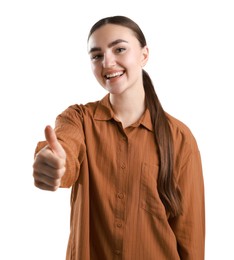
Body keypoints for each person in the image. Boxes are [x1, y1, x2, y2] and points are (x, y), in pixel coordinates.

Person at [33, 15, 205, 260]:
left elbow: (190, 235)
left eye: (119, 49)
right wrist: (54, 163)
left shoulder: (180, 137)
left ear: (144, 55)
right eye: (97, 55)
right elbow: (65, 151)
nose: (108, 62)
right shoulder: (79, 119)